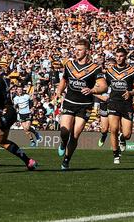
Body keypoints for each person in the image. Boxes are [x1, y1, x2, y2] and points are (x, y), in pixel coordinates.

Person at [52, 39, 107, 170]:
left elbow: (104, 87)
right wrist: (59, 92)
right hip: (69, 102)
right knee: (64, 131)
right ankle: (63, 143)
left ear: (87, 51)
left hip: (85, 105)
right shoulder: (69, 65)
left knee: (75, 134)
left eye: (80, 49)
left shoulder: (95, 68)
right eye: (75, 49)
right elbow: (64, 80)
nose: (76, 52)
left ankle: (66, 160)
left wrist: (92, 90)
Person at [104, 47, 134, 164]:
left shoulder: (132, 71)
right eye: (117, 56)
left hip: (126, 105)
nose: (118, 58)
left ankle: (122, 139)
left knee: (127, 134)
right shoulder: (110, 71)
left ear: (125, 57)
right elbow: (104, 86)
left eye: (121, 56)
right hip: (113, 103)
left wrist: (130, 92)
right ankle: (116, 154)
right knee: (114, 129)